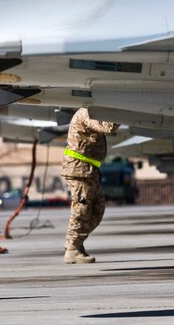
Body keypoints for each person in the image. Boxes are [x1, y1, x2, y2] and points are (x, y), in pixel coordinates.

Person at [61, 108, 118, 264]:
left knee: (97, 209)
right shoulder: (85, 113)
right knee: (82, 209)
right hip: (79, 168)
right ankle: (73, 248)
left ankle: (74, 243)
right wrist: (121, 110)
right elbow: (108, 127)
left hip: (89, 168)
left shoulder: (91, 112)